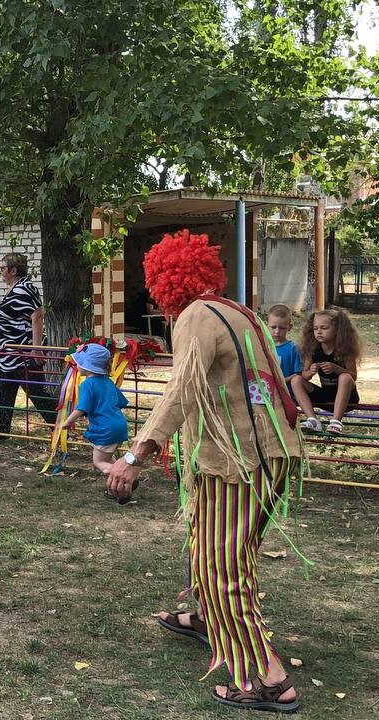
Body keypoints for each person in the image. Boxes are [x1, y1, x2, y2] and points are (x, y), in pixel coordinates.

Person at [107, 229, 303, 713]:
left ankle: (268, 680)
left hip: (235, 464)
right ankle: (206, 619)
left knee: (223, 568)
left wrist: (136, 453)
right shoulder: (242, 312)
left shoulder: (195, 316)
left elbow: (183, 388)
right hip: (272, 454)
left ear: (164, 281)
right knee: (214, 547)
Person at [0, 252, 58, 438]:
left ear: (13, 270)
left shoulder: (25, 288)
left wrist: (36, 349)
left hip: (22, 354)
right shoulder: (15, 288)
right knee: (3, 390)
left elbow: (37, 317)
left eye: (3, 268)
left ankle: (61, 426)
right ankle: (2, 430)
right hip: (7, 355)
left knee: (37, 393)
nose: (0, 272)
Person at [55, 343, 129, 475]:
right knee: (107, 458)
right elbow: (121, 402)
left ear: (88, 366)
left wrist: (67, 422)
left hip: (105, 429)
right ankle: (120, 485)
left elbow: (81, 408)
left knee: (99, 462)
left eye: (79, 362)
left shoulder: (87, 385)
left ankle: (126, 476)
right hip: (120, 426)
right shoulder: (108, 382)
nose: (77, 365)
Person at [291, 308, 362, 434]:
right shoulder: (312, 348)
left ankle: (336, 422)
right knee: (296, 380)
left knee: (345, 377)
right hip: (325, 397)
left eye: (324, 328)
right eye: (315, 328)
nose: (319, 332)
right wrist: (310, 372)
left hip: (347, 400)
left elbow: (353, 377)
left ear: (337, 330)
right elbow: (305, 375)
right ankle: (313, 420)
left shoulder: (345, 349)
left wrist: (336, 369)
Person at [266, 305, 303, 387]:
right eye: (273, 327)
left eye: (282, 328)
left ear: (289, 327)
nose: (277, 331)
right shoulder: (263, 346)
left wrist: (282, 381)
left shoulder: (294, 348)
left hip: (288, 392)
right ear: (266, 325)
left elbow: (299, 374)